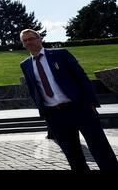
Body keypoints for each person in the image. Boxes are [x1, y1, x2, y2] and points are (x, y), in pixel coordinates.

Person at [19, 29, 118, 171]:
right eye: (25, 40)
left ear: (39, 39)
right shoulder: (25, 64)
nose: (29, 42)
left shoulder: (60, 54)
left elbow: (82, 78)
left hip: (79, 108)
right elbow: (33, 89)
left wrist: (91, 103)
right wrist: (44, 112)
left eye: (31, 38)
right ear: (23, 44)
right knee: (72, 154)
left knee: (100, 147)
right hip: (55, 114)